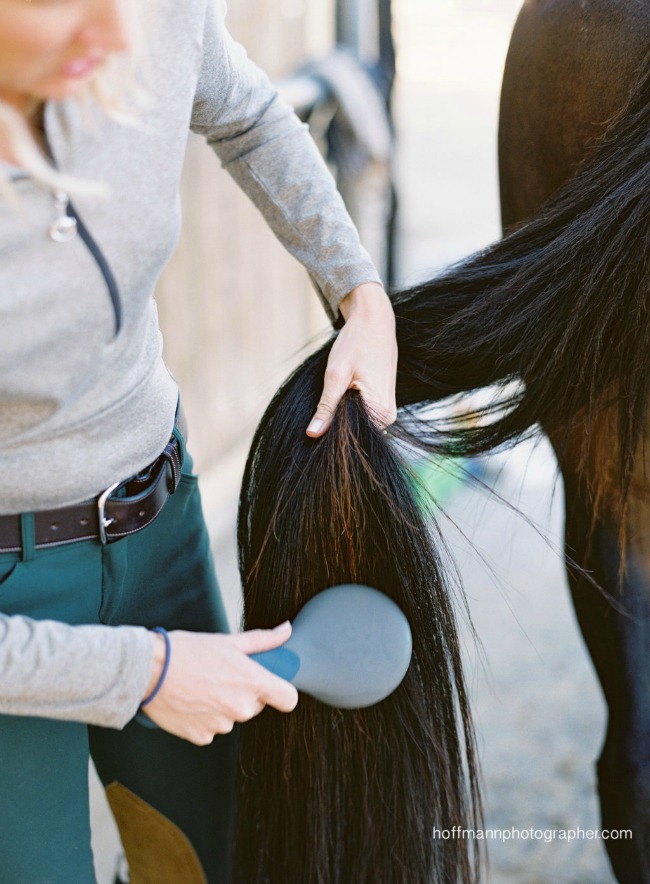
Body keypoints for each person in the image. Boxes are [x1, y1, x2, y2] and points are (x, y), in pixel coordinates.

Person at [0, 0, 398, 880]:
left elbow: (250, 113)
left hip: (161, 524)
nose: (118, 36)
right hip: (10, 608)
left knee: (209, 860)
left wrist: (359, 293)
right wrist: (142, 672)